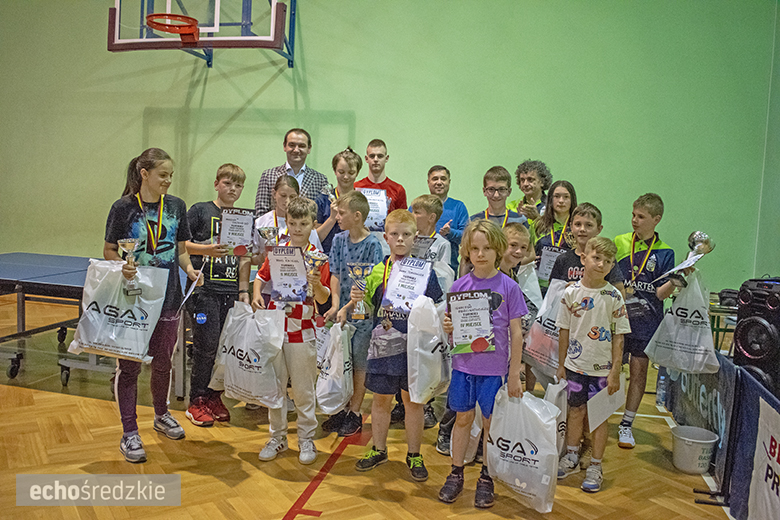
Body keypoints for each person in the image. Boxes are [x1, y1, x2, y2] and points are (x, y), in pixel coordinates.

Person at [104, 148, 202, 463]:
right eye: (163, 175)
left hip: (169, 298)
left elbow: (181, 249)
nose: (168, 180)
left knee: (163, 363)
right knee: (130, 367)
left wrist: (189, 270)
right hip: (134, 299)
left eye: (171, 175)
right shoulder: (122, 208)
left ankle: (161, 414)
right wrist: (122, 266)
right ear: (144, 174)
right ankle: (129, 432)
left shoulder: (176, 206)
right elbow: (109, 250)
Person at [438, 219, 527, 508]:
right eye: (475, 249)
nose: (480, 254)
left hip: (495, 371)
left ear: (498, 249)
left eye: (487, 248)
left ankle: (486, 476)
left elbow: (517, 333)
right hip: (464, 367)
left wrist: (514, 374)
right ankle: (456, 472)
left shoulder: (509, 287)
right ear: (466, 251)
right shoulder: (459, 286)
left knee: (490, 424)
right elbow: (453, 328)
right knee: (462, 419)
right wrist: (449, 327)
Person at [350, 210, 442, 482]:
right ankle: (379, 449)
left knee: (413, 402)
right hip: (383, 346)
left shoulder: (426, 272)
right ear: (386, 237)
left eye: (406, 234)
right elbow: (365, 311)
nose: (400, 239)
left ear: (416, 237)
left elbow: (435, 308)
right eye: (394, 234)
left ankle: (414, 454)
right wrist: (357, 299)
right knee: (381, 400)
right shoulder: (376, 272)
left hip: (415, 348)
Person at [252, 197, 331, 465]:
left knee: (303, 389)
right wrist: (256, 294)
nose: (297, 229)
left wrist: (316, 284)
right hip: (276, 328)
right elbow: (261, 276)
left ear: (313, 225)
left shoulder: (318, 257)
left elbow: (324, 298)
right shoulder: (278, 251)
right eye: (293, 223)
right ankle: (277, 437)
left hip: (303, 331)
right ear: (287, 223)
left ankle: (306, 438)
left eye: (304, 224)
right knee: (275, 388)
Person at [555, 237, 631, 493]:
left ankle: (596, 465)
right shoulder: (570, 293)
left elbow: (619, 337)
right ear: (584, 258)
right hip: (575, 366)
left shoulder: (614, 296)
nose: (601, 264)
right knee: (575, 412)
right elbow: (564, 331)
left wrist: (615, 371)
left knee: (599, 417)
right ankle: (571, 455)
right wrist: (561, 364)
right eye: (596, 258)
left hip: (603, 370)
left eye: (607, 261)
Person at [184, 164, 252, 427]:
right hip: (205, 292)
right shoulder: (200, 211)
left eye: (238, 185)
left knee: (225, 349)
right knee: (206, 346)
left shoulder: (243, 217)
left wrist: (243, 290)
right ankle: (196, 400)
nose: (233, 189)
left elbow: (244, 256)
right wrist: (206, 250)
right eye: (227, 183)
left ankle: (214, 397)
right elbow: (182, 244)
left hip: (230, 293)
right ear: (216, 184)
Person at [614, 193, 681, 449]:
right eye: (633, 215)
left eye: (641, 217)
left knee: (639, 371)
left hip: (647, 322)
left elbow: (660, 294)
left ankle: (626, 423)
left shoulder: (665, 252)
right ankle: (598, 417)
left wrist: (676, 280)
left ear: (656, 219)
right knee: (610, 369)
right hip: (618, 319)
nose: (634, 220)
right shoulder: (620, 242)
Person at [321, 190, 384, 437]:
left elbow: (370, 283)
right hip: (342, 311)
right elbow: (335, 274)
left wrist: (349, 307)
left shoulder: (373, 245)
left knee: (358, 363)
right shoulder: (338, 240)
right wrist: (336, 304)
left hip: (362, 313)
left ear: (357, 216)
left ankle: (355, 412)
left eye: (341, 213)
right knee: (340, 362)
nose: (336, 217)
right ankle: (340, 408)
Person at [462, 166, 530, 277]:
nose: (496, 195)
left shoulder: (520, 220)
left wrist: (507, 263)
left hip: (510, 278)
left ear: (509, 191)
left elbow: (529, 253)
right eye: (491, 189)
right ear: (484, 191)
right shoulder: (474, 221)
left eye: (502, 189)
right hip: (480, 279)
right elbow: (466, 257)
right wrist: (462, 283)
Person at [254, 128, 328, 216]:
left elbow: (321, 216)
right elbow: (261, 214)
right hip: (274, 224)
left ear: (309, 149)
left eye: (301, 146)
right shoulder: (268, 176)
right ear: (284, 146)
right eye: (292, 145)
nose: (296, 150)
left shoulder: (320, 180)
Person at [315, 147, 362, 255]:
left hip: (354, 258)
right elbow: (316, 239)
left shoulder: (362, 201)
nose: (346, 177)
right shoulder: (322, 200)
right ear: (335, 171)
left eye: (351, 172)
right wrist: (332, 218)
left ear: (357, 172)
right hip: (326, 258)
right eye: (341, 172)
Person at [533, 180, 577, 292]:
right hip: (540, 285)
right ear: (550, 199)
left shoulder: (577, 227)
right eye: (557, 196)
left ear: (572, 200)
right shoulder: (538, 225)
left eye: (566, 197)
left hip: (567, 285)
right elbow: (528, 251)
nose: (561, 201)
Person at [427, 165, 469, 273]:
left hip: (449, 269)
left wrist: (450, 232)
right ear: (428, 182)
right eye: (435, 179)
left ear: (449, 182)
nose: (439, 182)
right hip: (420, 268)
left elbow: (467, 237)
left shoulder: (458, 207)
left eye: (443, 179)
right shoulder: (418, 206)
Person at [410, 194, 451, 268]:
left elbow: (444, 272)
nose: (411, 215)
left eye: (416, 212)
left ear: (432, 217)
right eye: (412, 212)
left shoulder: (442, 244)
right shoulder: (409, 239)